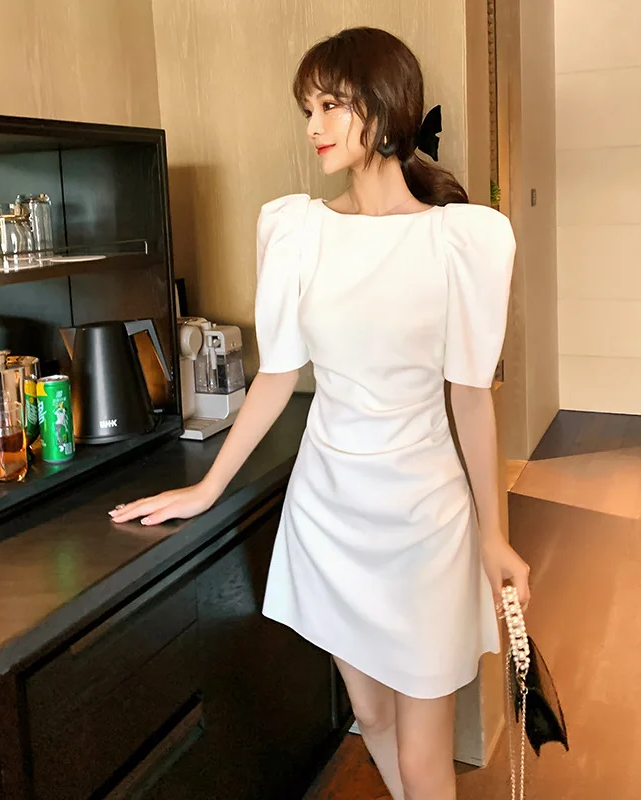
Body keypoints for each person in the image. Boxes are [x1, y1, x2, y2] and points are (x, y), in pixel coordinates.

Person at [110, 26, 530, 800]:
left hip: (425, 523)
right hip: (328, 512)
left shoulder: (458, 240)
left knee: (425, 756)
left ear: (386, 104)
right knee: (369, 713)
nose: (314, 125)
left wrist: (494, 535)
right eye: (308, 108)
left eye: (332, 105)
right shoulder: (298, 231)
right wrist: (206, 489)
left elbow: (471, 398)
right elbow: (278, 376)